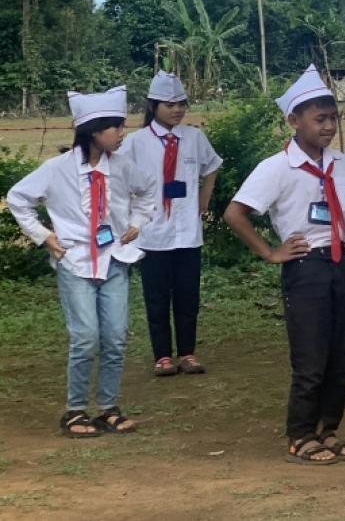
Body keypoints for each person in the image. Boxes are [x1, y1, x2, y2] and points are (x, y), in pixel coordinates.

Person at [223, 66, 345, 465]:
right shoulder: (276, 168)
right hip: (306, 269)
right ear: (293, 121)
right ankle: (300, 434)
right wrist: (271, 252)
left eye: (333, 118)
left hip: (341, 265)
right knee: (311, 356)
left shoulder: (338, 162)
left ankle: (328, 429)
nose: (328, 127)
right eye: (319, 119)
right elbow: (235, 213)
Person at [9, 87, 156, 438]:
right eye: (116, 127)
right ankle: (75, 410)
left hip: (114, 260)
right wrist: (44, 236)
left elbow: (149, 190)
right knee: (86, 337)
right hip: (75, 261)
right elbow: (18, 197)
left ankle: (107, 407)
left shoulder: (122, 167)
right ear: (94, 131)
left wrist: (136, 223)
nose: (122, 134)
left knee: (116, 336)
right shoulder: (58, 169)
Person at [123, 70, 222, 377]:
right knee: (156, 297)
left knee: (188, 296)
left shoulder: (193, 137)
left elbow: (213, 164)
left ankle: (187, 354)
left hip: (187, 233)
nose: (177, 109)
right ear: (153, 106)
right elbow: (117, 175)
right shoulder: (136, 142)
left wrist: (206, 190)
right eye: (170, 104)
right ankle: (162, 356)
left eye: (181, 103)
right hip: (152, 233)